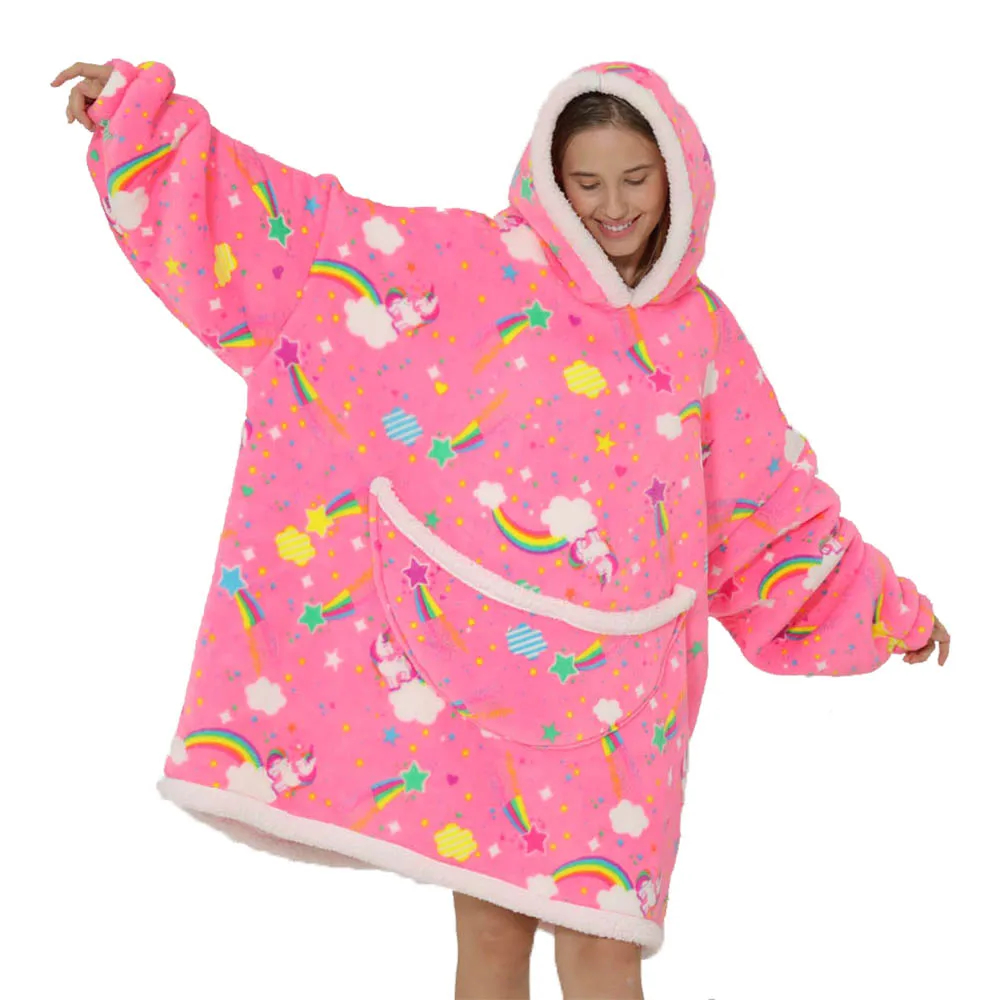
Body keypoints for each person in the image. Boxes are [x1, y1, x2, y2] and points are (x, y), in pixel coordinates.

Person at [52, 58, 950, 1000]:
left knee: (604, 949)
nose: (614, 207)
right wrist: (137, 126)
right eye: (588, 182)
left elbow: (764, 509)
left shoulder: (703, 337)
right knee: (490, 936)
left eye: (636, 179)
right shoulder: (464, 265)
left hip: (625, 707)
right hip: (481, 674)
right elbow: (299, 241)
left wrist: (884, 609)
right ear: (551, 181)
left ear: (678, 176)